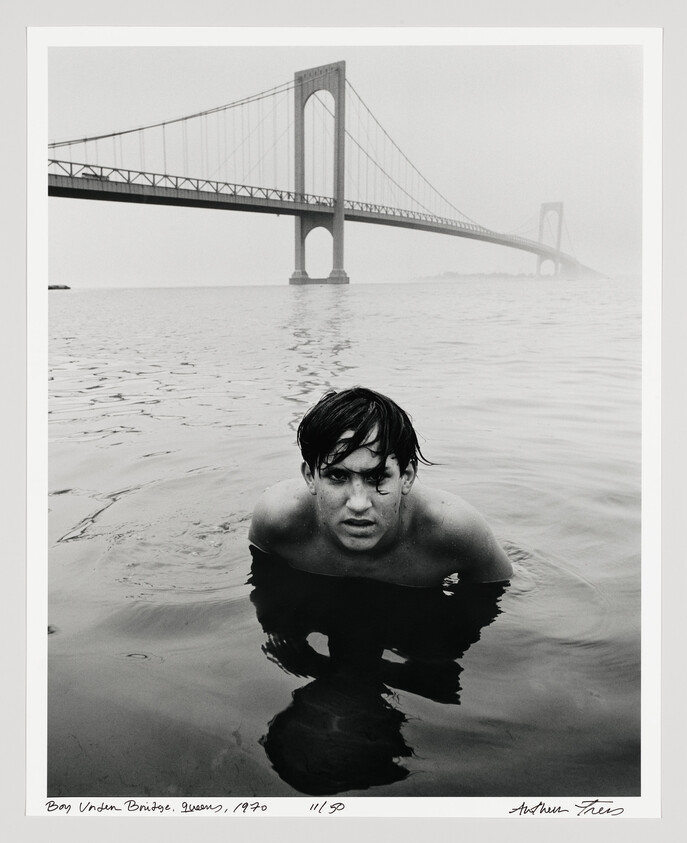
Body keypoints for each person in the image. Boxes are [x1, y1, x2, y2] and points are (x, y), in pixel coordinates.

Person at [248, 386, 513, 587]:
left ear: (406, 476)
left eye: (376, 478)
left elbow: (496, 600)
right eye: (338, 477)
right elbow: (269, 602)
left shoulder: (455, 531)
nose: (359, 503)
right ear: (310, 478)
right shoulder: (277, 520)